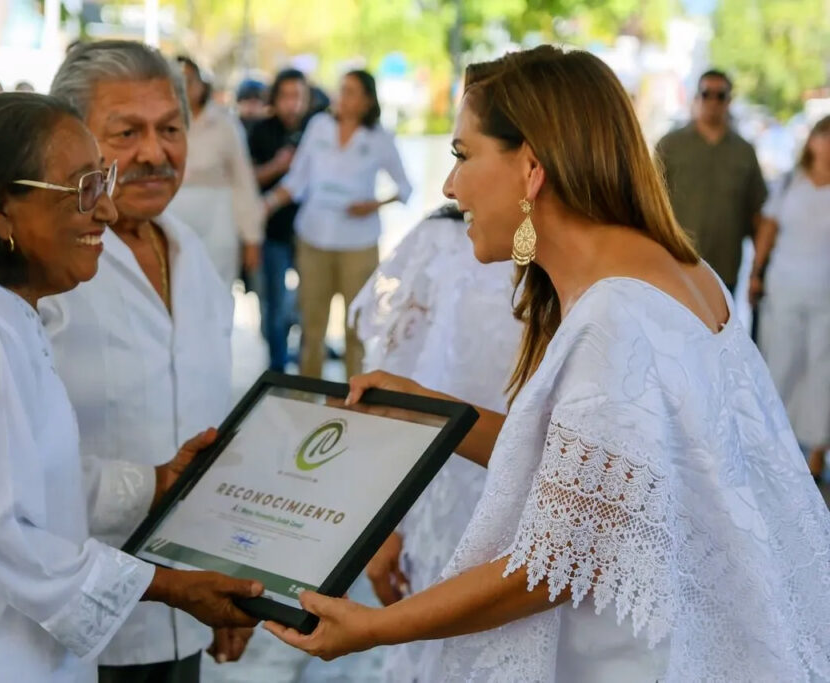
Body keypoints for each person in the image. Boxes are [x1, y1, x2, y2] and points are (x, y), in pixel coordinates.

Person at [264, 47, 830, 681]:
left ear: (531, 166)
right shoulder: (678, 270)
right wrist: (433, 409)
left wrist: (375, 628)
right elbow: (602, 478)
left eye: (462, 155)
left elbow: (556, 561)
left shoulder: (615, 315)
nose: (450, 187)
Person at [0, 92, 262, 683]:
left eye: (102, 182)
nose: (106, 211)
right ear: (0, 210)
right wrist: (171, 587)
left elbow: (20, 479)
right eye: (84, 188)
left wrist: (156, 482)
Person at [45, 41, 246, 683]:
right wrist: (148, 483)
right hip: (66, 626)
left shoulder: (192, 257)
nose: (155, 154)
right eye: (126, 133)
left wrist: (232, 576)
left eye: (170, 129)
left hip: (186, 611)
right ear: (70, 142)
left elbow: (214, 427)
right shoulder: (41, 273)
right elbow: (8, 473)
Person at [350, 204, 522, 681]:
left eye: (466, 156)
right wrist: (384, 521)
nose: (451, 182)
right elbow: (392, 382)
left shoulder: (593, 247)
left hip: (540, 508)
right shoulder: (444, 238)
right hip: (446, 493)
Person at [263, 69, 412, 378]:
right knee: (311, 326)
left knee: (355, 327)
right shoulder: (318, 127)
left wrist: (374, 204)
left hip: (358, 245)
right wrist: (264, 206)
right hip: (313, 239)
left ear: (367, 100)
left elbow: (406, 187)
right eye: (340, 89)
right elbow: (297, 179)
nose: (341, 97)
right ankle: (307, 393)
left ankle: (354, 395)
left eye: (350, 91)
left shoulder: (379, 138)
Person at [750, 114, 830, 482]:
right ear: (812, 141)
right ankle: (774, 447)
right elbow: (768, 228)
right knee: (782, 363)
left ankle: (817, 450)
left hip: (825, 291)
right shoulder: (788, 184)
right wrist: (756, 272)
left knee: (822, 369)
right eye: (823, 136)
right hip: (785, 286)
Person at [656, 69, 767, 293]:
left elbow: (758, 214)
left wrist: (758, 271)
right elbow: (650, 202)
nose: (713, 101)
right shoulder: (670, 145)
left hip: (724, 270)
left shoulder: (744, 151)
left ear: (729, 101)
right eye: (707, 94)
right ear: (697, 98)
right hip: (677, 264)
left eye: (721, 95)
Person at [167, 56, 262, 289]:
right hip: (171, 216)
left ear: (201, 83)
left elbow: (243, 180)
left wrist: (252, 236)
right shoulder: (160, 123)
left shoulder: (225, 124)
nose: (184, 87)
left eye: (189, 80)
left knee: (216, 289)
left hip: (217, 218)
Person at [248, 68, 310, 372]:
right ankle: (277, 369)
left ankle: (307, 360)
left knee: (308, 303)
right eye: (286, 96)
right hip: (273, 233)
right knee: (274, 305)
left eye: (298, 96)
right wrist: (278, 166)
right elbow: (249, 179)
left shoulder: (317, 128)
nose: (293, 104)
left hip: (311, 234)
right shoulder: (261, 131)